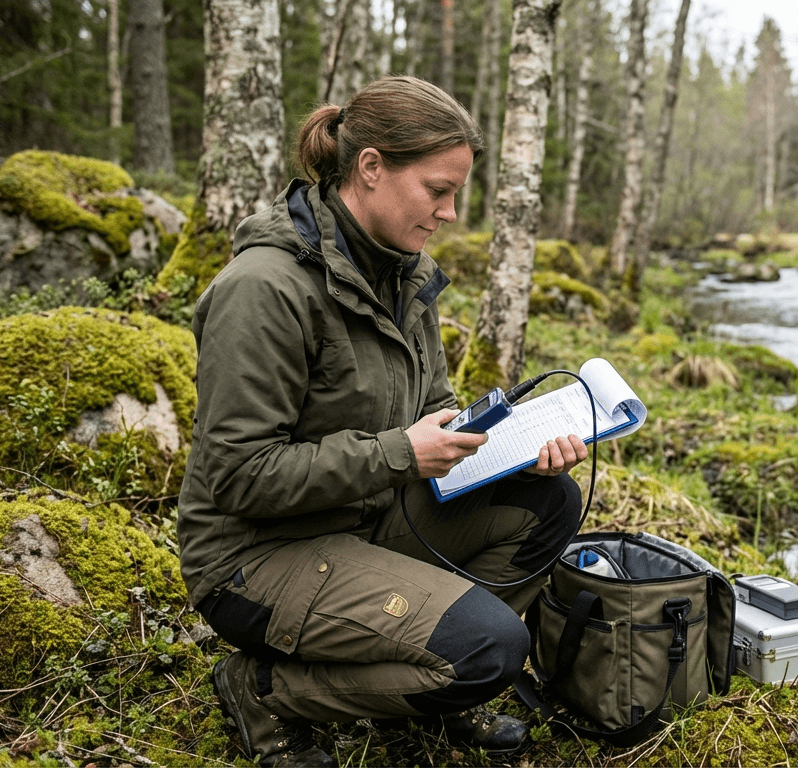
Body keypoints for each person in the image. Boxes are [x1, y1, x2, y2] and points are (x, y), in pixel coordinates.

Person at [177, 75, 589, 767]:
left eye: (456, 193)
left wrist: (510, 442)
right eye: (438, 190)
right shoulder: (265, 289)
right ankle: (265, 689)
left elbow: (431, 403)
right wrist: (400, 453)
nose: (451, 212)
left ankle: (428, 678)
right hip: (256, 560)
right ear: (370, 168)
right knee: (490, 648)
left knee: (545, 503)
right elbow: (238, 477)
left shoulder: (403, 272)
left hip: (365, 519)